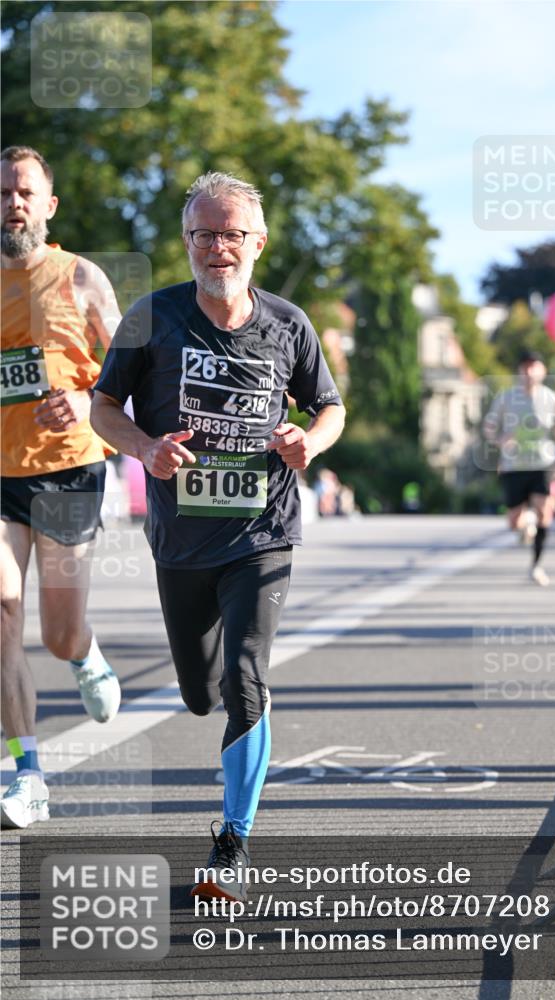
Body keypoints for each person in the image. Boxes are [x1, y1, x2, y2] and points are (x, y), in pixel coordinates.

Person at [91, 171, 345, 901]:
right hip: (181, 542)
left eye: (231, 233)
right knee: (200, 692)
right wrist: (144, 448)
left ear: (256, 243)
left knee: (245, 677)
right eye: (203, 234)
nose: (217, 247)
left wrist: (310, 444)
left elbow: (328, 407)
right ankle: (219, 720)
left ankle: (232, 844)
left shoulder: (288, 324)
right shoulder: (152, 315)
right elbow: (103, 407)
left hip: (263, 532)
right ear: (187, 242)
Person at [1, 146, 122, 829]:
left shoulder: (81, 277)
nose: (12, 202)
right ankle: (27, 773)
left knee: (58, 634)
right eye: (2, 192)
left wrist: (82, 400)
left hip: (68, 470)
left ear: (47, 206)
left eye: (24, 191)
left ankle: (85, 653)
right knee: (1, 611)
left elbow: (132, 368)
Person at [483, 349, 555, 586]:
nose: (530, 372)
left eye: (534, 366)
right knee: (514, 521)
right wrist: (500, 439)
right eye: (525, 367)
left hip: (542, 462)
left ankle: (536, 565)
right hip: (514, 465)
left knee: (545, 512)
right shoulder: (506, 398)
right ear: (519, 371)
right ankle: (525, 524)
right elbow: (489, 427)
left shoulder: (552, 399)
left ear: (543, 371)